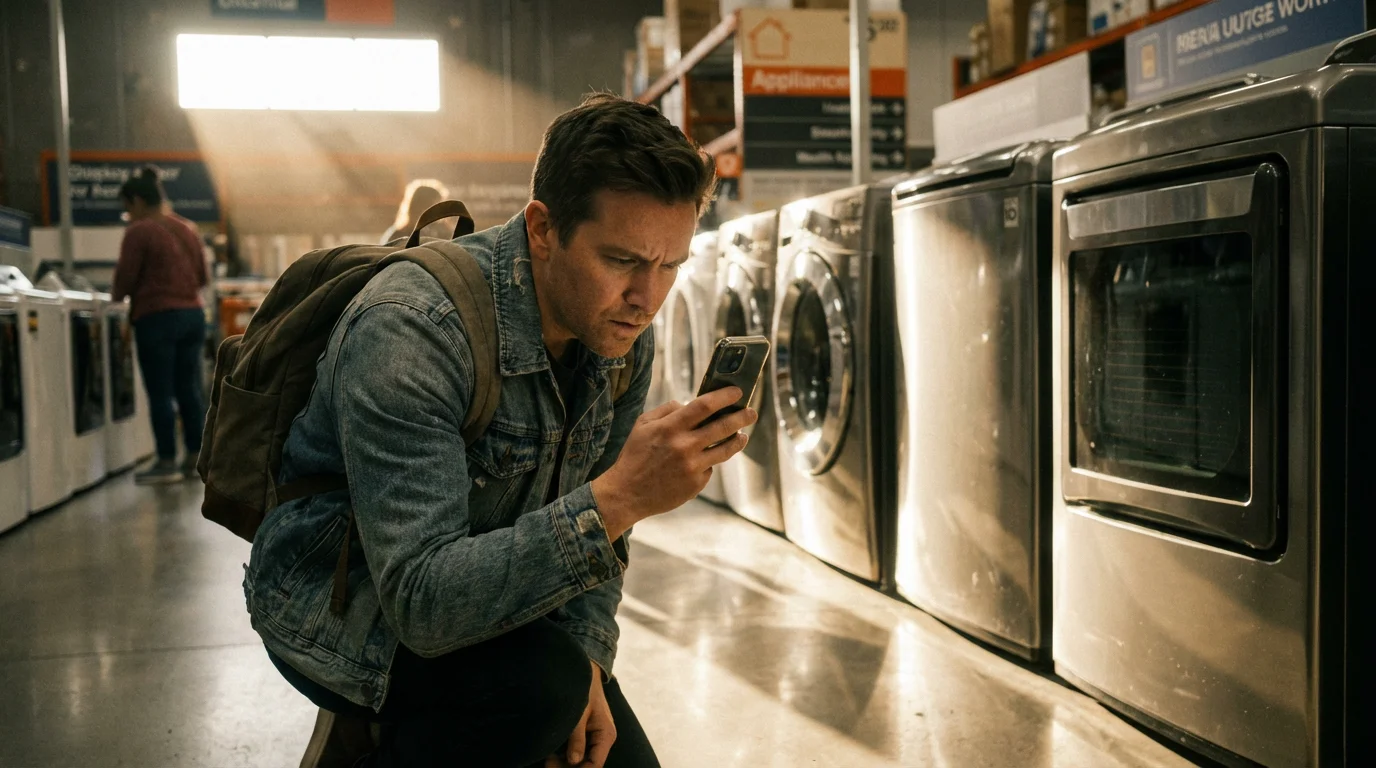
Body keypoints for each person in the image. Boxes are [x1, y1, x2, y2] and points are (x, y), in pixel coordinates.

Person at [246, 94, 747, 768]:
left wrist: (591, 659)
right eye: (623, 260)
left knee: (595, 731)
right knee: (541, 692)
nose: (647, 298)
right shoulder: (414, 329)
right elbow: (422, 603)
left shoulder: (621, 336)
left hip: (504, 594)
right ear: (542, 228)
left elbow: (598, 556)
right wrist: (622, 498)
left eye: (671, 266)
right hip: (343, 604)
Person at [112, 166, 209, 485]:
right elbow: (203, 277)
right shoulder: (188, 228)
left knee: (160, 392)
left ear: (138, 201)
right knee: (189, 389)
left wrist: (116, 298)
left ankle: (166, 460)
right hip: (193, 316)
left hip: (157, 318)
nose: (127, 214)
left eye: (127, 207)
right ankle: (195, 458)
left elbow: (124, 280)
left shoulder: (139, 231)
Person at [380, 178, 450, 244]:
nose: (441, 210)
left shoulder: (440, 232)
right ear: (423, 206)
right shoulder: (399, 236)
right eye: (437, 204)